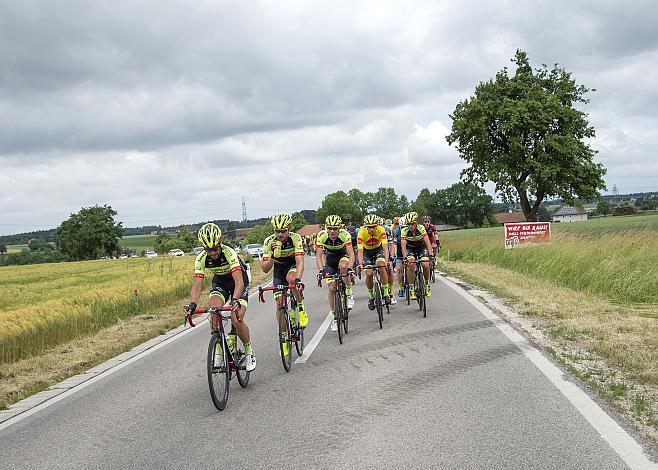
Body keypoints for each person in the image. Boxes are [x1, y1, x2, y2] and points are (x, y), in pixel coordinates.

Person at [185, 223, 256, 371]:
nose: (213, 253)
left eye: (215, 248)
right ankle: (218, 352)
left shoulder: (229, 253)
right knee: (213, 311)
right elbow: (197, 284)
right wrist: (192, 304)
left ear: (220, 242)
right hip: (221, 282)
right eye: (208, 250)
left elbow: (238, 282)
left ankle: (249, 351)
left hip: (238, 281)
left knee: (236, 319)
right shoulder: (201, 258)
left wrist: (235, 300)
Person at [261, 213, 306, 357]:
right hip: (278, 271)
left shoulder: (295, 238)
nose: (280, 234)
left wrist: (298, 279)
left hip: (292, 266)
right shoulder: (269, 241)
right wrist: (273, 255)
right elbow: (265, 269)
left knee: (291, 279)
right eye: (277, 231)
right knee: (280, 305)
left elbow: (299, 261)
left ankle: (300, 308)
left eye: (283, 231)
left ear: (289, 229)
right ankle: (284, 339)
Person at [315, 215, 355, 332]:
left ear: (339, 228)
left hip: (343, 256)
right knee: (331, 288)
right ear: (326, 228)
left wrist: (350, 268)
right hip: (330, 259)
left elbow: (351, 254)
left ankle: (349, 293)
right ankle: (335, 316)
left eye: (335, 228)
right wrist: (321, 270)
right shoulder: (321, 236)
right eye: (330, 228)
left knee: (343, 267)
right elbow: (318, 255)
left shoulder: (345, 235)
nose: (332, 231)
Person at [357, 214, 391, 309]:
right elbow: (360, 251)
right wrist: (360, 264)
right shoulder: (361, 232)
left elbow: (385, 246)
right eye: (369, 227)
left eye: (373, 227)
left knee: (382, 266)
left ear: (377, 226)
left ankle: (385, 293)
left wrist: (387, 261)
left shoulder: (381, 230)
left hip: (378, 250)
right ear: (366, 227)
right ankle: (371, 297)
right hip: (366, 253)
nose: (371, 229)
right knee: (369, 274)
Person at [401, 212, 434, 299]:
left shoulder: (421, 228)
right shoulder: (404, 231)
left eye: (412, 224)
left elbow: (427, 241)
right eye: (409, 224)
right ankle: (411, 288)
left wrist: (430, 254)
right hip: (410, 249)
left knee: (425, 264)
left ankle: (427, 284)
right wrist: (405, 257)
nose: (410, 226)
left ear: (416, 222)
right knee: (411, 265)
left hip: (421, 248)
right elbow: (403, 245)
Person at [392, 216, 406, 297]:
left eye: (405, 227)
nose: (404, 229)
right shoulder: (396, 232)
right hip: (399, 250)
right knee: (398, 268)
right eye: (402, 227)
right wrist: (394, 255)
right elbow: (394, 244)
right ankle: (401, 288)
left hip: (409, 248)